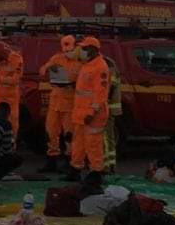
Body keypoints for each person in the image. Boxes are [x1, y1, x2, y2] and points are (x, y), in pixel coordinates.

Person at [68, 36, 110, 176]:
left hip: (92, 115)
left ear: (93, 50)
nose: (82, 50)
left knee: (93, 145)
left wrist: (92, 112)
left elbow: (101, 94)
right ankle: (75, 169)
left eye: (85, 48)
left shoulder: (100, 67)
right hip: (81, 113)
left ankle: (96, 173)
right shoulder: (87, 65)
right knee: (78, 143)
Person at [38, 34, 81, 173]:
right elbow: (42, 70)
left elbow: (84, 82)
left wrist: (73, 84)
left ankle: (69, 161)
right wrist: (50, 70)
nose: (67, 53)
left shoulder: (80, 63)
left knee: (69, 134)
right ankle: (52, 160)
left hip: (70, 105)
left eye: (70, 50)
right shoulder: (57, 58)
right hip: (55, 103)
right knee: (50, 132)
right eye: (65, 49)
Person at [102, 57, 122, 172]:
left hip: (107, 108)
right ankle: (110, 164)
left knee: (105, 137)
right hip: (110, 108)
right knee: (109, 137)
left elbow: (108, 88)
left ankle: (107, 165)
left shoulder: (108, 68)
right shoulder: (110, 66)